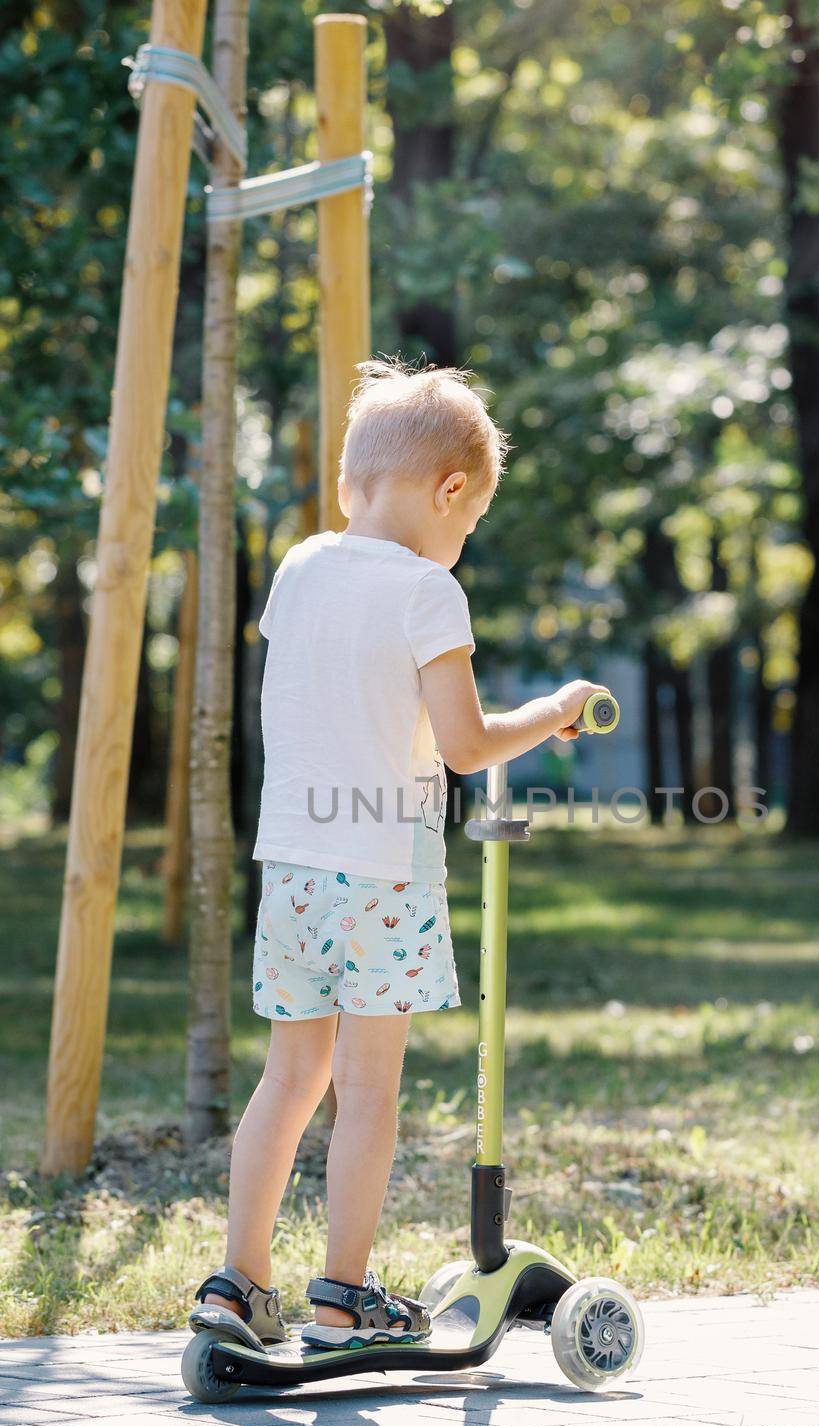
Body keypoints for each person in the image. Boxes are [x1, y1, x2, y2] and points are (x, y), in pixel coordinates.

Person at [189, 358, 606, 1352]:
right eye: (467, 527)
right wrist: (549, 712)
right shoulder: (427, 593)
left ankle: (236, 1283)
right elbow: (462, 747)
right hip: (381, 872)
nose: (458, 545)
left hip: (289, 867)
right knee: (366, 1088)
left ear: (347, 483)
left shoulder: (297, 570)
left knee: (288, 1080)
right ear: (449, 490)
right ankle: (341, 1296)